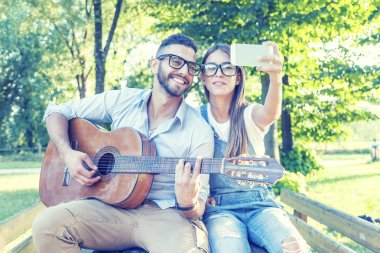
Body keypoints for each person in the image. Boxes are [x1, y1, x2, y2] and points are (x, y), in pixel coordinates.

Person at [32, 34, 214, 253]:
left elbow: (199, 206)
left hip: (166, 215)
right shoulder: (122, 100)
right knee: (47, 226)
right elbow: (57, 111)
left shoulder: (200, 130)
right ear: (154, 64)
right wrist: (68, 153)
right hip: (109, 210)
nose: (184, 72)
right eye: (176, 62)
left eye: (191, 67)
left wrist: (188, 202)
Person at [198, 43, 309, 253]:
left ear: (238, 77)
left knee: (295, 248)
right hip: (220, 210)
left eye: (227, 67)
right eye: (211, 67)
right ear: (203, 77)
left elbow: (270, 112)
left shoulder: (249, 114)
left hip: (261, 205)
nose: (219, 73)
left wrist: (275, 77)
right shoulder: (196, 119)